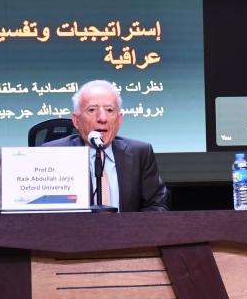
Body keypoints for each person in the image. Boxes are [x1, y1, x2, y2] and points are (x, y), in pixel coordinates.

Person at [44, 80, 169, 211]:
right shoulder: (53, 154)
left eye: (109, 110)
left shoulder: (140, 153)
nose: (102, 118)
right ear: (76, 121)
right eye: (92, 110)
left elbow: (157, 205)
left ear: (119, 120)